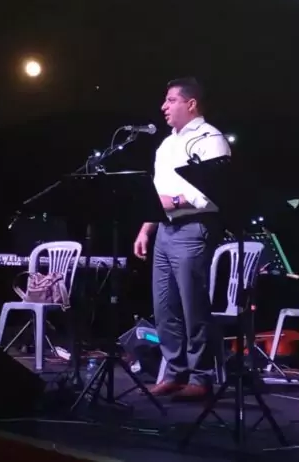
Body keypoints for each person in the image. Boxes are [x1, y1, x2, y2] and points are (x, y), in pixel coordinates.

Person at [133, 77, 231, 400]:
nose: (164, 106)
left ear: (191, 104)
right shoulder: (166, 145)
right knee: (164, 307)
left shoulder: (210, 139)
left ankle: (201, 377)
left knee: (193, 307)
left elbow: (209, 195)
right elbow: (156, 193)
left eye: (171, 100)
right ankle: (174, 372)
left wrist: (172, 202)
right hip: (164, 230)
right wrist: (146, 229)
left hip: (193, 229)